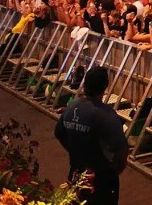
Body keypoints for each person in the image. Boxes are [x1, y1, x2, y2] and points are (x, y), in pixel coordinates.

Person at [54, 66, 129, 205]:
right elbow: (121, 149)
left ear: (85, 84)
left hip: (76, 171)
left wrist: (74, 150)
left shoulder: (71, 106)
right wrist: (114, 169)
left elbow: (59, 132)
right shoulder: (106, 115)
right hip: (101, 178)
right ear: (105, 86)